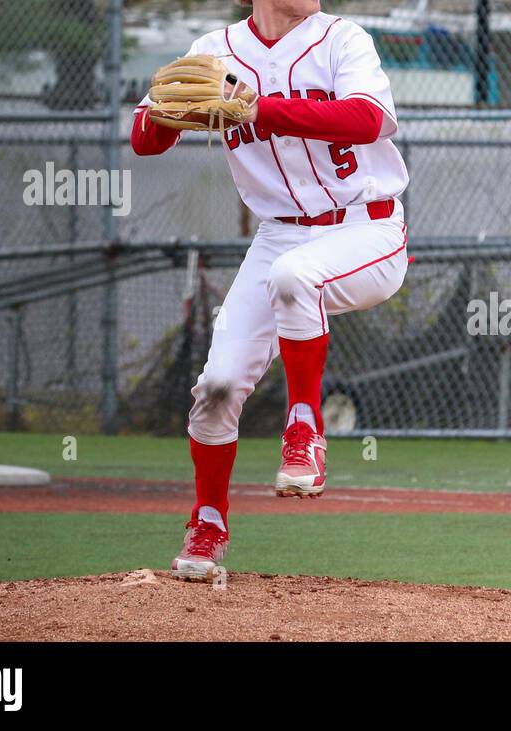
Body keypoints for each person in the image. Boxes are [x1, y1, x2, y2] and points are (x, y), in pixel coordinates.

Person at [131, 0, 409, 580]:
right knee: (216, 387)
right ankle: (208, 523)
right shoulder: (214, 52)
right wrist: (163, 112)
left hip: (367, 227)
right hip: (279, 236)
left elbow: (368, 120)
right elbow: (144, 141)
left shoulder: (341, 39)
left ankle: (305, 427)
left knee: (295, 278)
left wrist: (260, 110)